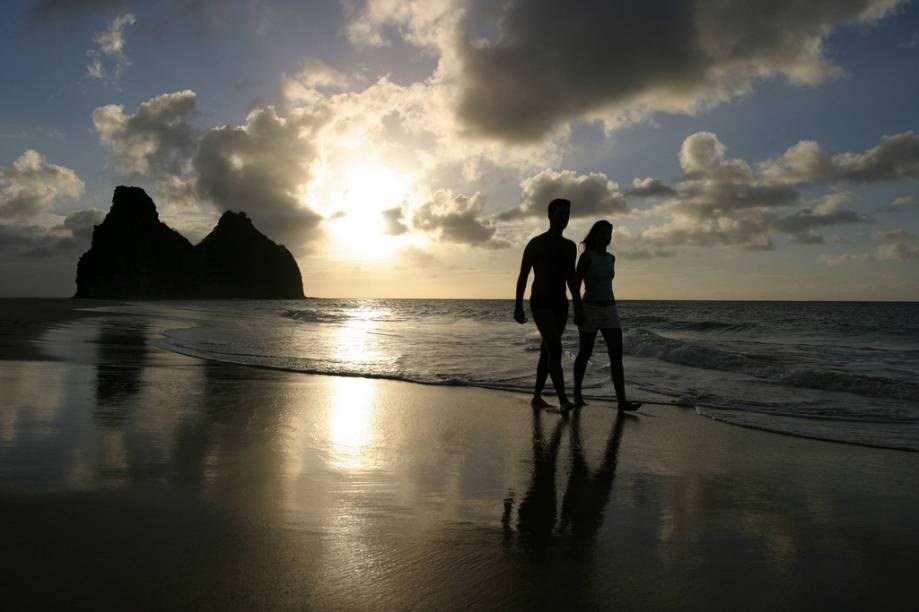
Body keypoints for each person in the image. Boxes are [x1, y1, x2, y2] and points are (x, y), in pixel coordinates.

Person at [514, 198, 581, 411]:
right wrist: (518, 305)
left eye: (567, 214)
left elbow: (571, 279)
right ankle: (563, 399)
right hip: (540, 302)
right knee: (555, 346)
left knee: (547, 350)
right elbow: (523, 275)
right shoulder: (536, 243)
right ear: (550, 216)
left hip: (560, 303)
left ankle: (536, 396)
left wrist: (578, 306)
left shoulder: (570, 247)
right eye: (560, 213)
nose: (564, 218)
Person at [571, 220, 640, 411]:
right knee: (585, 353)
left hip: (610, 309)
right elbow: (575, 286)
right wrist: (577, 309)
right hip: (590, 308)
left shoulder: (611, 258)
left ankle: (622, 401)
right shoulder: (586, 257)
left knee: (616, 355)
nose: (607, 237)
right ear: (595, 235)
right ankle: (577, 392)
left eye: (609, 233)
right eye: (603, 233)